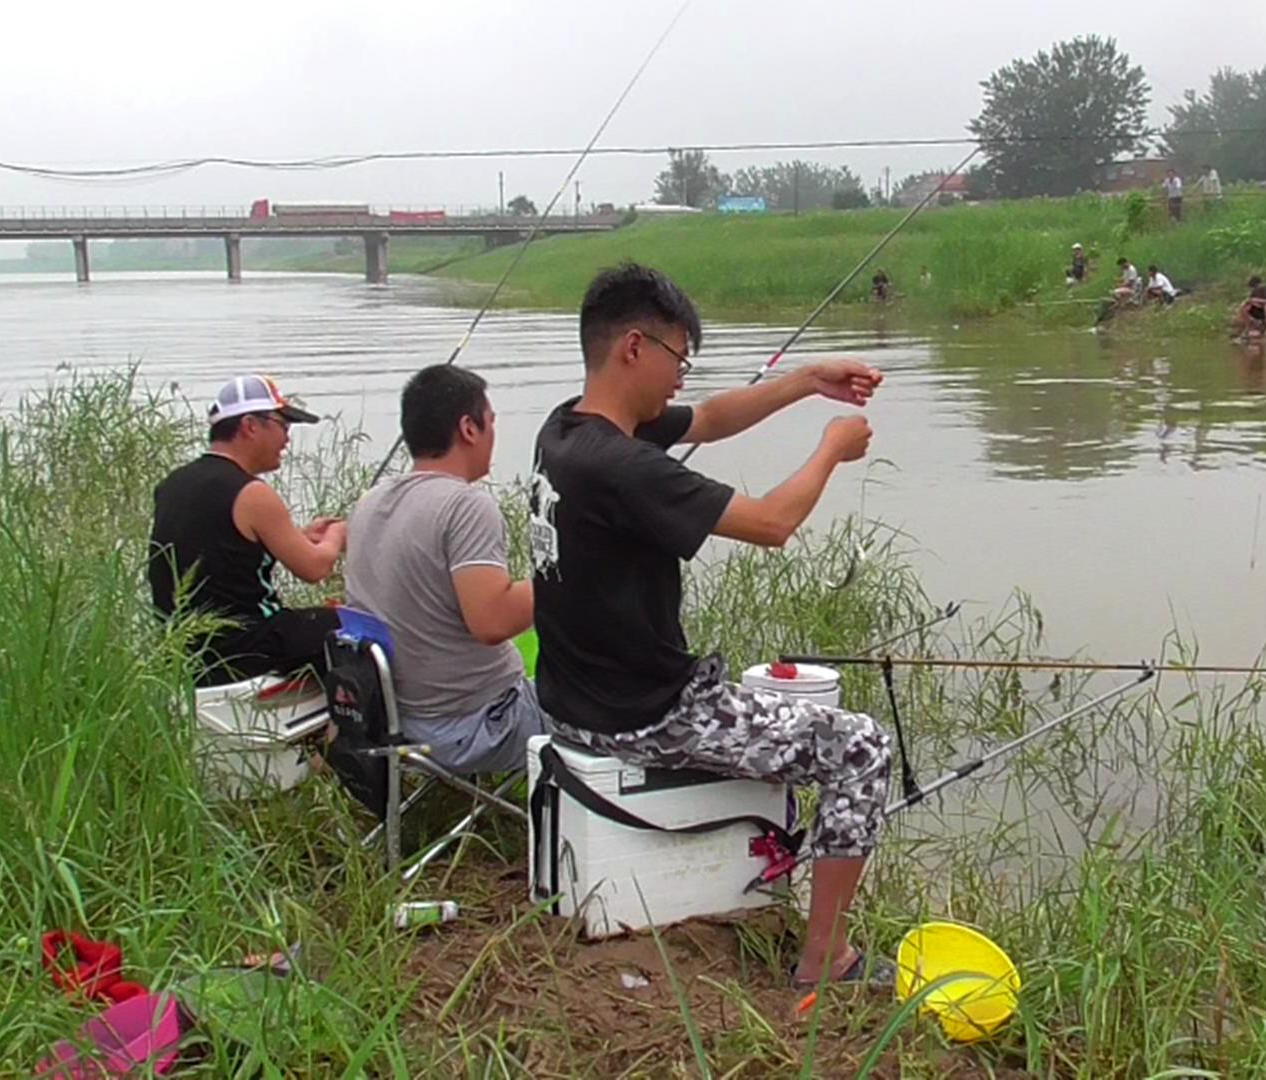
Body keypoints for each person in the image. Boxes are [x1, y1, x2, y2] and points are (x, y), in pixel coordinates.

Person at [528, 262, 894, 989]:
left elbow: (710, 420)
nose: (680, 378)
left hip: (573, 702)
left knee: (783, 708)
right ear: (634, 346)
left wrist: (807, 380)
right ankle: (827, 959)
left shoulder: (565, 429)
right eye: (678, 358)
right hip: (644, 714)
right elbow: (773, 523)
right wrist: (831, 446)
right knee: (860, 748)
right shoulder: (621, 467)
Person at [344, 365, 544, 775]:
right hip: (475, 727)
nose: (493, 435)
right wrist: (565, 574)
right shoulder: (466, 505)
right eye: (490, 422)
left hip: (389, 722)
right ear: (469, 428)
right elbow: (493, 622)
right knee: (609, 703)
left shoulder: (370, 501)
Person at [148, 375, 346, 685]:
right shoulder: (252, 493)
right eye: (283, 425)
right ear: (250, 426)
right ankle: (362, 717)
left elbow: (218, 550)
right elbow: (315, 568)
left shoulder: (173, 484)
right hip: (245, 647)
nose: (287, 439)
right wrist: (337, 534)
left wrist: (297, 538)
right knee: (359, 628)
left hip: (185, 648)